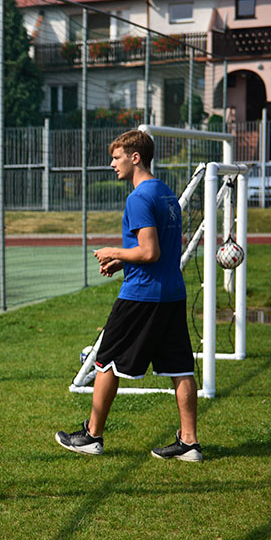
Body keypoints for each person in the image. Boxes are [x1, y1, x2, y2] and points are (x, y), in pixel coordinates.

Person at [55, 129, 202, 462]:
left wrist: (114, 251)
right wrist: (123, 262)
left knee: (106, 361)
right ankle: (189, 443)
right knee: (181, 367)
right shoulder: (166, 193)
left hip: (142, 296)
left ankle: (92, 436)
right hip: (172, 294)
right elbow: (160, 250)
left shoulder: (138, 198)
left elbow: (149, 252)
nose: (112, 164)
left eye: (117, 157)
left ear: (136, 158)